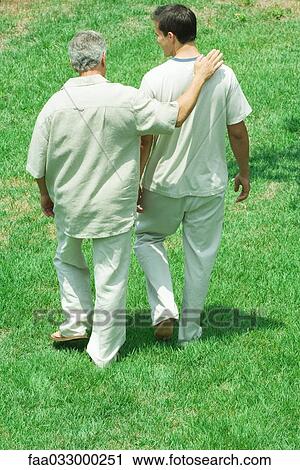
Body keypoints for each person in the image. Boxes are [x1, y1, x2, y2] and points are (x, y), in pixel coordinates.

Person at [26, 30, 223, 368]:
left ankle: (74, 323)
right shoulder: (126, 99)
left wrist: (46, 196)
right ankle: (103, 351)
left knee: (67, 259)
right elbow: (175, 116)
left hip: (69, 204)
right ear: (103, 59)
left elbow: (37, 164)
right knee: (111, 275)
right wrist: (200, 77)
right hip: (113, 206)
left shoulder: (54, 105)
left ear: (73, 64)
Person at [135, 5, 252, 345]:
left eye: (158, 34)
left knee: (147, 239)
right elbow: (238, 131)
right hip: (208, 186)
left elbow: (145, 139)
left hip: (163, 184)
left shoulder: (154, 78)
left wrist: (137, 182)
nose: (157, 41)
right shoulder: (224, 75)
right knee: (200, 257)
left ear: (171, 36)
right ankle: (189, 332)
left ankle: (164, 307)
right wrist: (243, 171)